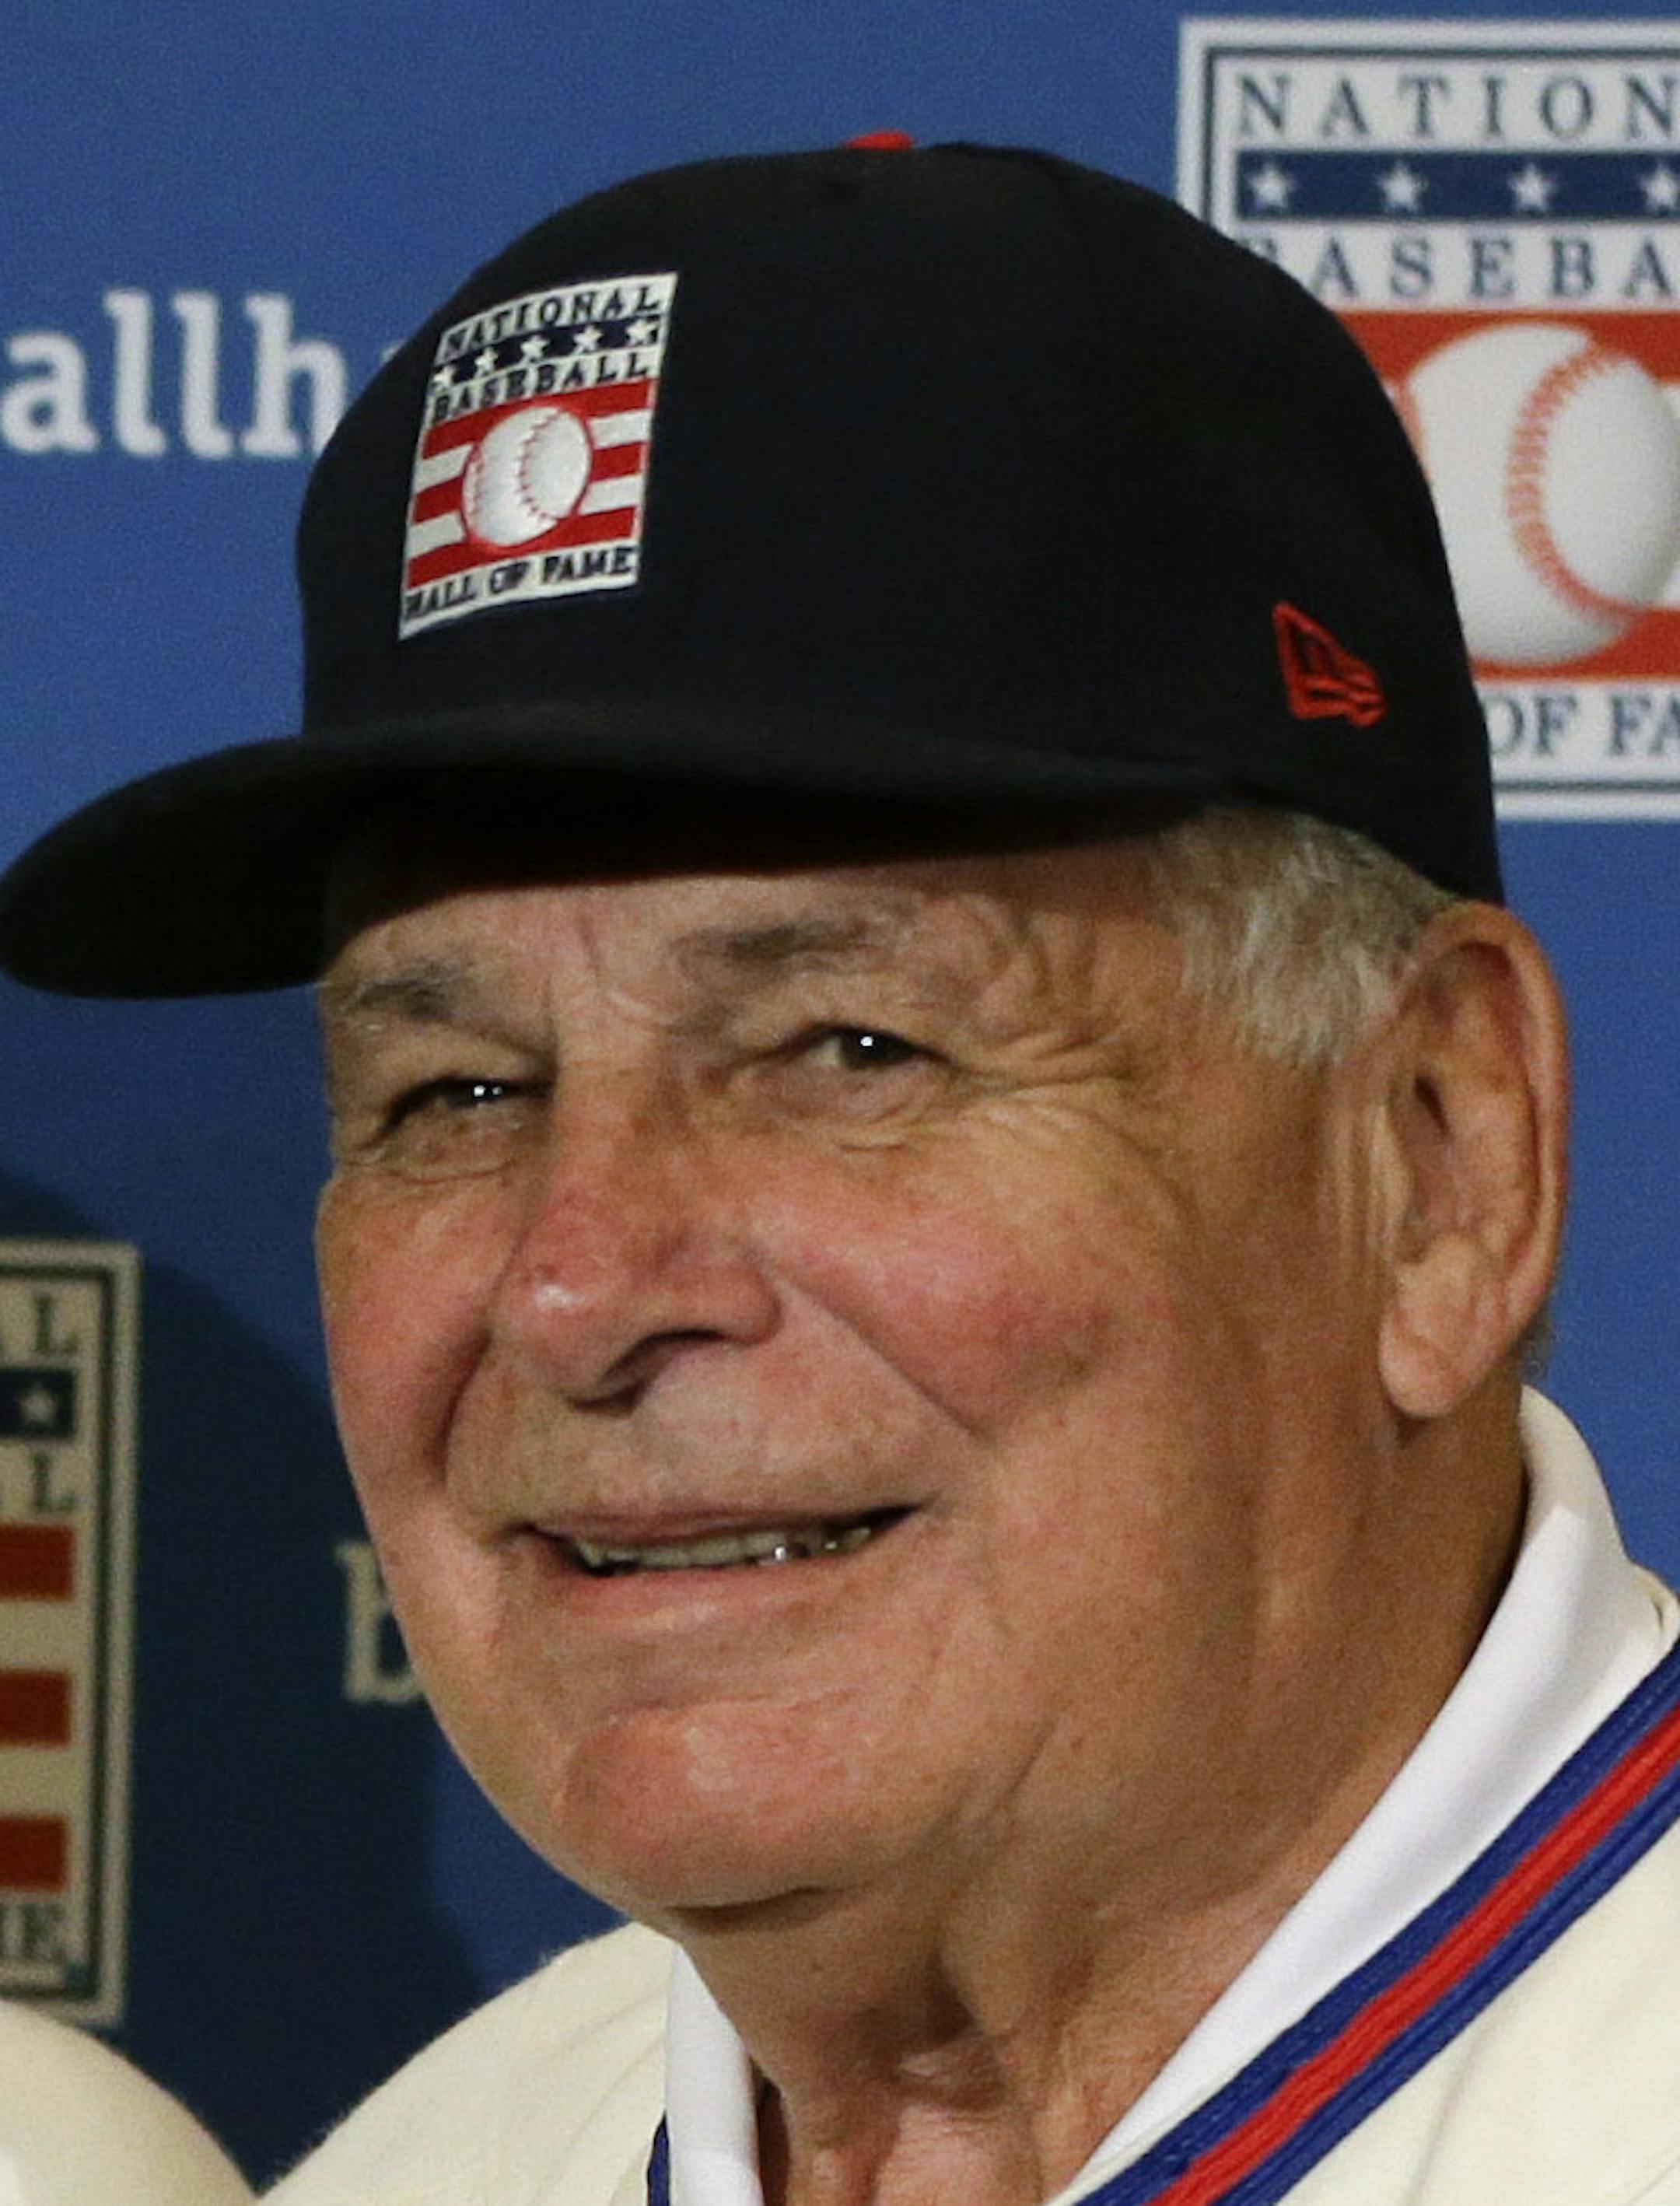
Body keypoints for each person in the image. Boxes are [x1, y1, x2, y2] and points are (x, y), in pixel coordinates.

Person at [2, 142, 1678, 2206]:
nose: (579, 1281)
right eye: (452, 1090)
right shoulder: (434, 2164)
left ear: (1438, 1160)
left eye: (849, 1048)